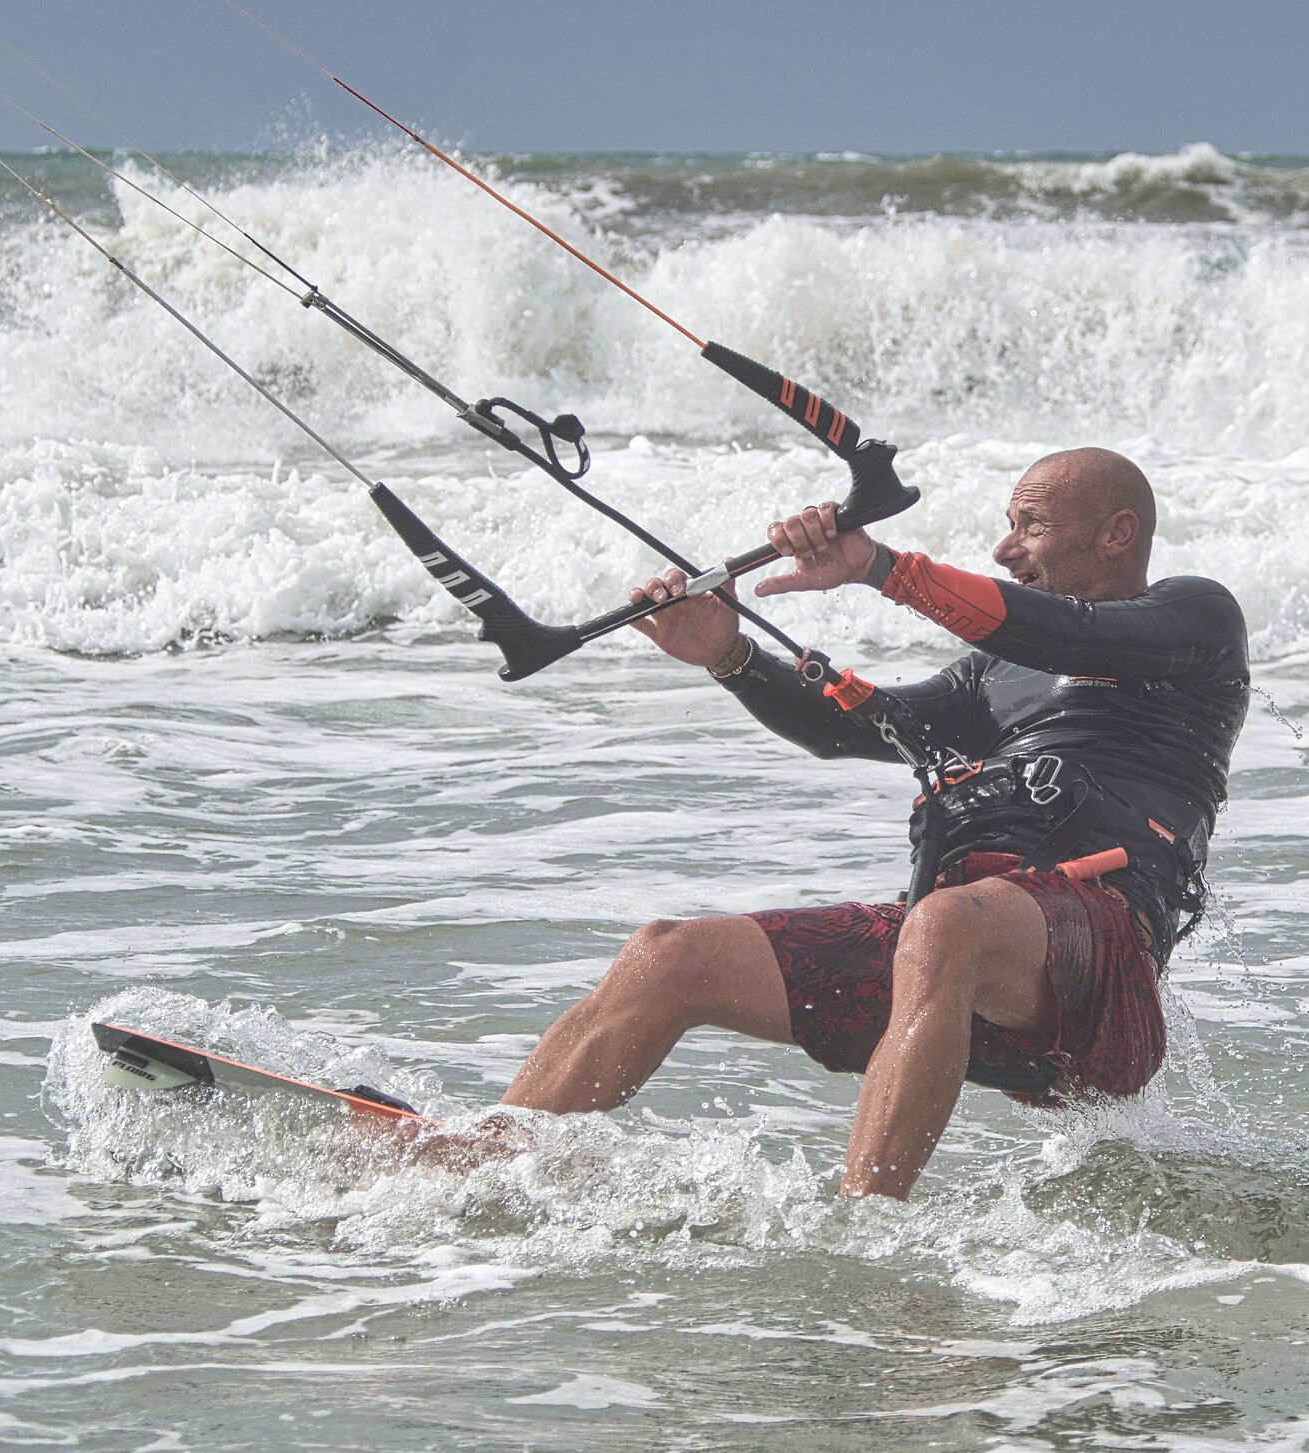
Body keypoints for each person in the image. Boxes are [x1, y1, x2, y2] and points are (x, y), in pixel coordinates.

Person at [500, 448, 1249, 1198]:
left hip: (1101, 976)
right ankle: (490, 1162)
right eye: (1007, 526)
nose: (1005, 547)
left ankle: (865, 1227)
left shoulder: (1197, 622)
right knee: (666, 955)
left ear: (1117, 534)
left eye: (1032, 525)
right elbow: (854, 729)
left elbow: (1070, 634)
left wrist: (882, 568)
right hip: (958, 967)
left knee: (943, 923)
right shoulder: (993, 674)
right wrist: (730, 655)